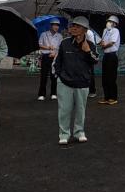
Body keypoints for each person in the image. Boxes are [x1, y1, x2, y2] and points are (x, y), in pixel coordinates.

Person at [53, 17, 98, 145]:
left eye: (77, 26)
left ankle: (79, 132)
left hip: (82, 82)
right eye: (72, 26)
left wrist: (88, 51)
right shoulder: (64, 43)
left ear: (84, 30)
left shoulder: (90, 45)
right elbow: (58, 61)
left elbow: (95, 60)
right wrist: (58, 75)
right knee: (64, 110)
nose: (73, 28)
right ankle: (64, 134)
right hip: (65, 82)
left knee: (80, 110)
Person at [37, 18, 63, 101]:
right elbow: (39, 44)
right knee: (43, 76)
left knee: (54, 76)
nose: (56, 27)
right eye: (55, 25)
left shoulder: (60, 36)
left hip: (55, 57)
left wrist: (55, 53)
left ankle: (53, 93)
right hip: (45, 56)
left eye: (58, 25)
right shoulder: (44, 34)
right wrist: (48, 47)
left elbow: (61, 48)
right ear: (51, 25)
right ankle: (41, 94)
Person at [99, 15, 120, 105]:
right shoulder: (105, 30)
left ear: (114, 24)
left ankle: (113, 97)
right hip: (106, 55)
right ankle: (106, 96)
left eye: (110, 22)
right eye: (108, 21)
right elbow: (103, 41)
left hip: (112, 55)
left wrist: (104, 45)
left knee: (111, 77)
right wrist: (101, 43)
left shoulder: (115, 30)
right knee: (105, 77)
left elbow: (112, 42)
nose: (108, 23)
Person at [86, 28, 100, 98]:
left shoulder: (89, 33)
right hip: (84, 54)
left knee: (90, 73)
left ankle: (92, 91)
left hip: (90, 54)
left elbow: (92, 45)